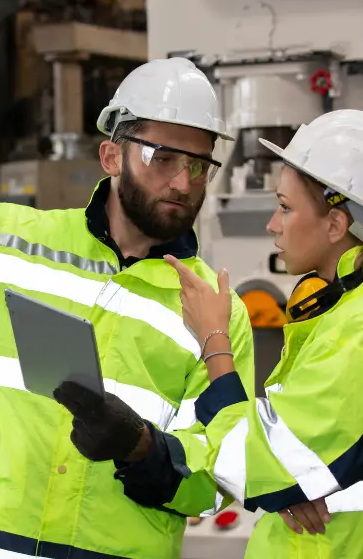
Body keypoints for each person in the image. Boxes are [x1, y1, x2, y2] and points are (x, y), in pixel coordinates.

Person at [0, 57, 255, 559]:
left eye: (199, 165)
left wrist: (141, 448)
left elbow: (213, 479)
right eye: (163, 158)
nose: (183, 182)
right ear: (112, 156)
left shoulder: (218, 314)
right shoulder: (9, 243)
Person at [163, 109, 363, 558]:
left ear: (336, 224)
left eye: (286, 208)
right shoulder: (339, 315)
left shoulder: (356, 332)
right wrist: (292, 484)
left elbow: (249, 464)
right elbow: (279, 463)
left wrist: (214, 338)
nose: (273, 224)